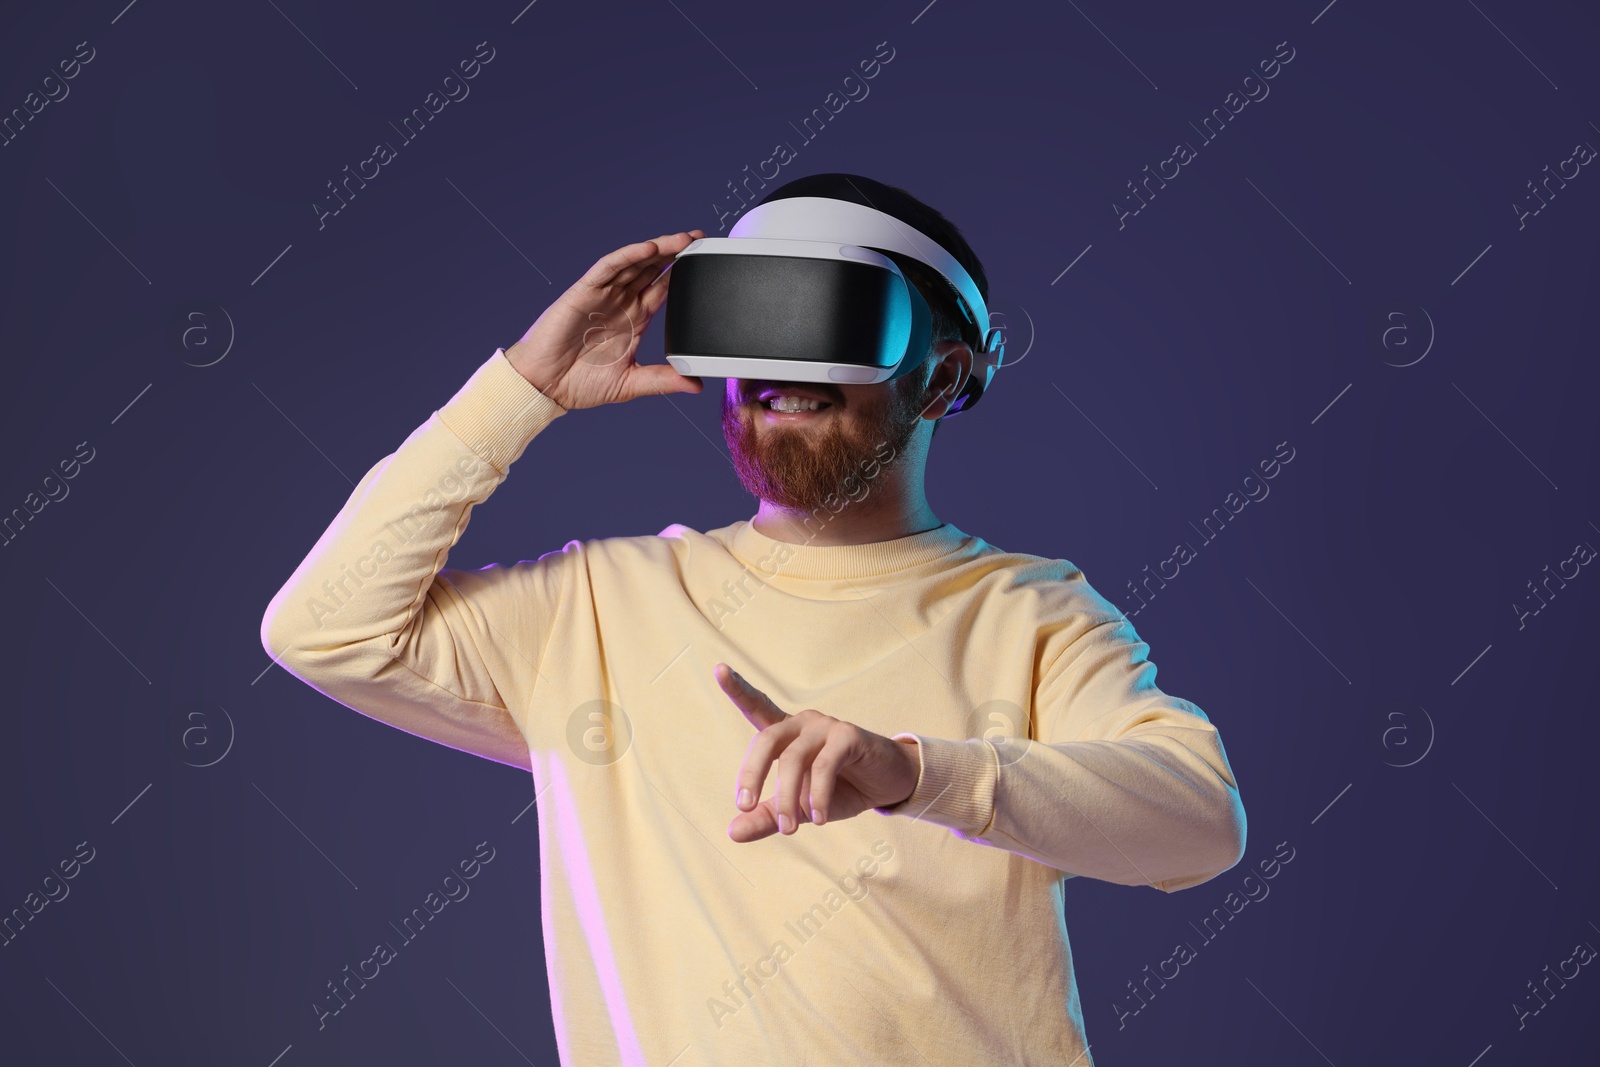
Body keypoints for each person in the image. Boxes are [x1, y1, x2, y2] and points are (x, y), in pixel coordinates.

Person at [260, 173, 1246, 1066]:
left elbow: (1198, 824)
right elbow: (325, 630)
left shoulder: (1031, 612)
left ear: (942, 378)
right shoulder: (599, 605)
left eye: (827, 321)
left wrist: (914, 771)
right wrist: (522, 389)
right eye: (752, 319)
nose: (780, 365)